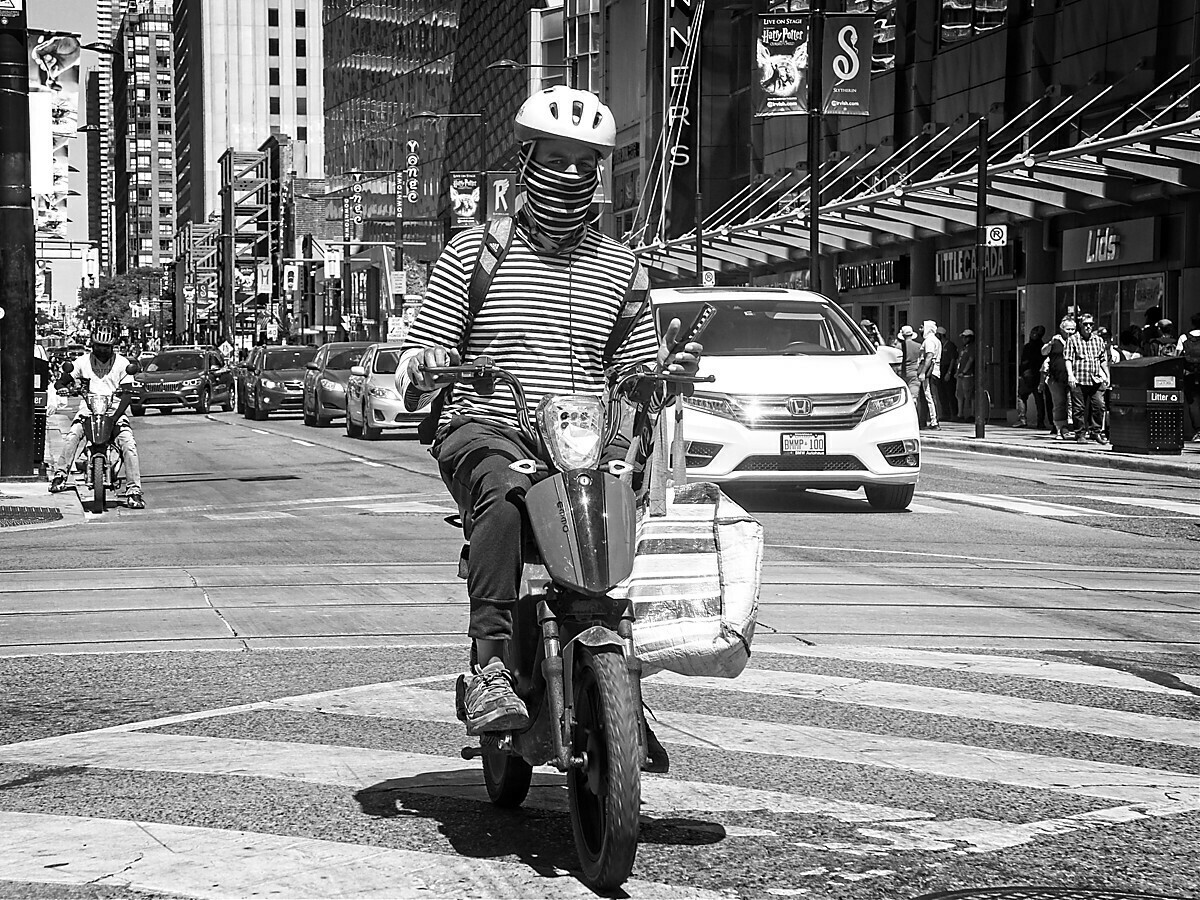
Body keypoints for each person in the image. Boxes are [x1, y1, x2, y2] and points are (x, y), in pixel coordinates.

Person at [395, 86, 702, 740]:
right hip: (490, 426)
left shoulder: (624, 267)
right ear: (527, 161)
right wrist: (423, 361)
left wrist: (664, 378)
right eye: (556, 158)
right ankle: (493, 670)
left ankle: (617, 685)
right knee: (504, 499)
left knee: (625, 507)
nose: (569, 173)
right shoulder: (473, 253)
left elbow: (634, 370)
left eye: (583, 162)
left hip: (579, 443)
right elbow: (432, 343)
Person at [49, 325, 145, 508]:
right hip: (88, 408)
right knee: (73, 435)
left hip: (114, 409)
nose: (102, 350)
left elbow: (127, 395)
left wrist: (115, 418)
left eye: (106, 347)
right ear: (92, 345)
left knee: (128, 443)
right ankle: (60, 476)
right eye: (98, 346)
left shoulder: (123, 364)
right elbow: (65, 377)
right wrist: (61, 385)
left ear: (112, 347)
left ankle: (134, 491)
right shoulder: (83, 361)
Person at [1063, 312, 1110, 444]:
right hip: (1079, 378)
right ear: (1080, 325)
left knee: (1099, 405)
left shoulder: (1098, 340)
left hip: (1095, 379)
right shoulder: (1072, 340)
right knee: (1079, 409)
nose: (1088, 327)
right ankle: (1080, 434)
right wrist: (1070, 375)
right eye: (1085, 324)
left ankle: (1096, 432)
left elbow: (1103, 360)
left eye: (1091, 324)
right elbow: (1068, 359)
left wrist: (1107, 375)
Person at [1043, 316, 1076, 440]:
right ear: (1062, 329)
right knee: (1059, 404)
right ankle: (1060, 430)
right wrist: (1050, 343)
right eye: (1068, 329)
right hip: (1056, 378)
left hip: (1073, 377)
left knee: (1074, 404)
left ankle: (1074, 429)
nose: (1070, 332)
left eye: (1073, 329)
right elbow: (1043, 352)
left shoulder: (1077, 341)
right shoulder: (1056, 340)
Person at [1017, 325, 1047, 428]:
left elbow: (1024, 362)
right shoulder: (1043, 347)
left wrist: (1021, 373)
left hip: (1029, 374)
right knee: (1039, 400)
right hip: (1038, 375)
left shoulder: (1028, 347)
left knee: (1021, 395)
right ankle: (1040, 422)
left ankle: (1022, 419)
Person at [915, 320, 941, 429]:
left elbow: (929, 357)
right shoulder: (936, 340)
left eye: (922, 327)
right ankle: (924, 421)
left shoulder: (929, 341)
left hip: (929, 373)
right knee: (928, 396)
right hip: (934, 372)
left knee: (929, 396)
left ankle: (934, 421)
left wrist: (923, 372)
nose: (920, 329)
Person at [1178, 312, 1200, 441]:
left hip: (1190, 374)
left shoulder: (1184, 337)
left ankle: (1198, 430)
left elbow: (1177, 355)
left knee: (1193, 402)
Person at [894, 324, 922, 401]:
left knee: (903, 397)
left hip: (901, 372)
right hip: (914, 372)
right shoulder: (918, 346)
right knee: (914, 395)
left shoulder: (898, 347)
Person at [936, 325, 959, 419]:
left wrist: (949, 372)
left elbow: (953, 359)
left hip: (947, 368)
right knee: (942, 393)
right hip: (940, 368)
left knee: (950, 392)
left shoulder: (950, 345)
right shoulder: (938, 345)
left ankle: (954, 413)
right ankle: (945, 413)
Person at [956, 328, 977, 422]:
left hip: (968, 375)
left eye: (965, 337)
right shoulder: (963, 348)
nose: (963, 339)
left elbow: (971, 360)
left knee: (969, 395)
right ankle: (960, 414)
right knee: (959, 394)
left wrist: (964, 371)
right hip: (960, 374)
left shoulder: (973, 347)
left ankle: (971, 414)